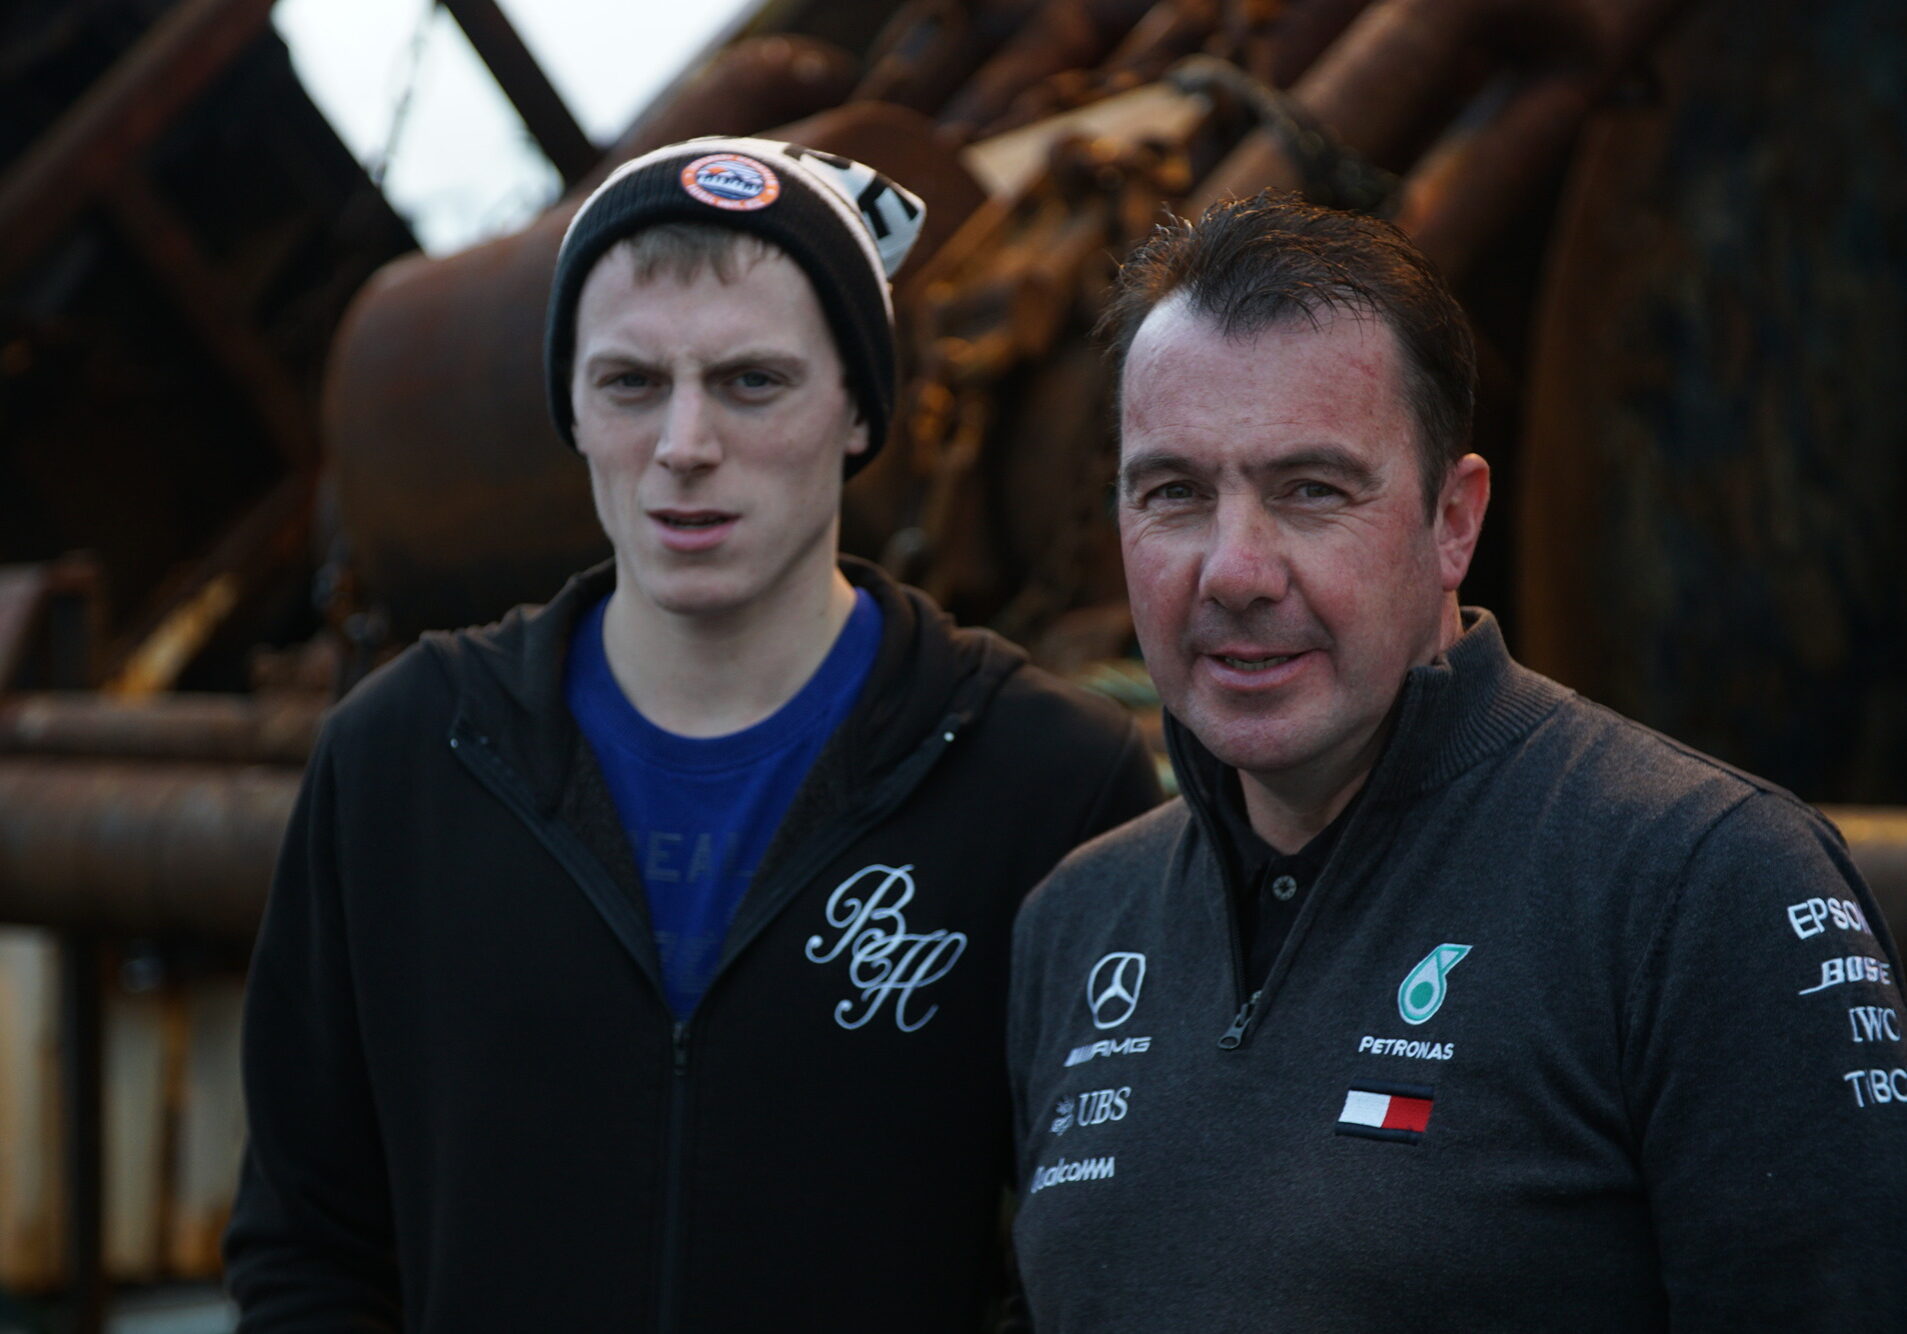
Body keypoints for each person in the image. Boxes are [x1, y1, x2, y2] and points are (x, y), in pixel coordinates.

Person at [224, 137, 1160, 1332]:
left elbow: (1102, 1257)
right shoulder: (404, 763)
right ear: (570, 403)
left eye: (750, 381)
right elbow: (308, 1242)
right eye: (629, 383)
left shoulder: (1049, 786)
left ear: (862, 407)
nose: (682, 444)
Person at [1006, 192, 1907, 1330]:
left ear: (1453, 519)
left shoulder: (1701, 885)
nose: (1232, 570)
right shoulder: (1074, 924)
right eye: (1174, 492)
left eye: (1310, 490)